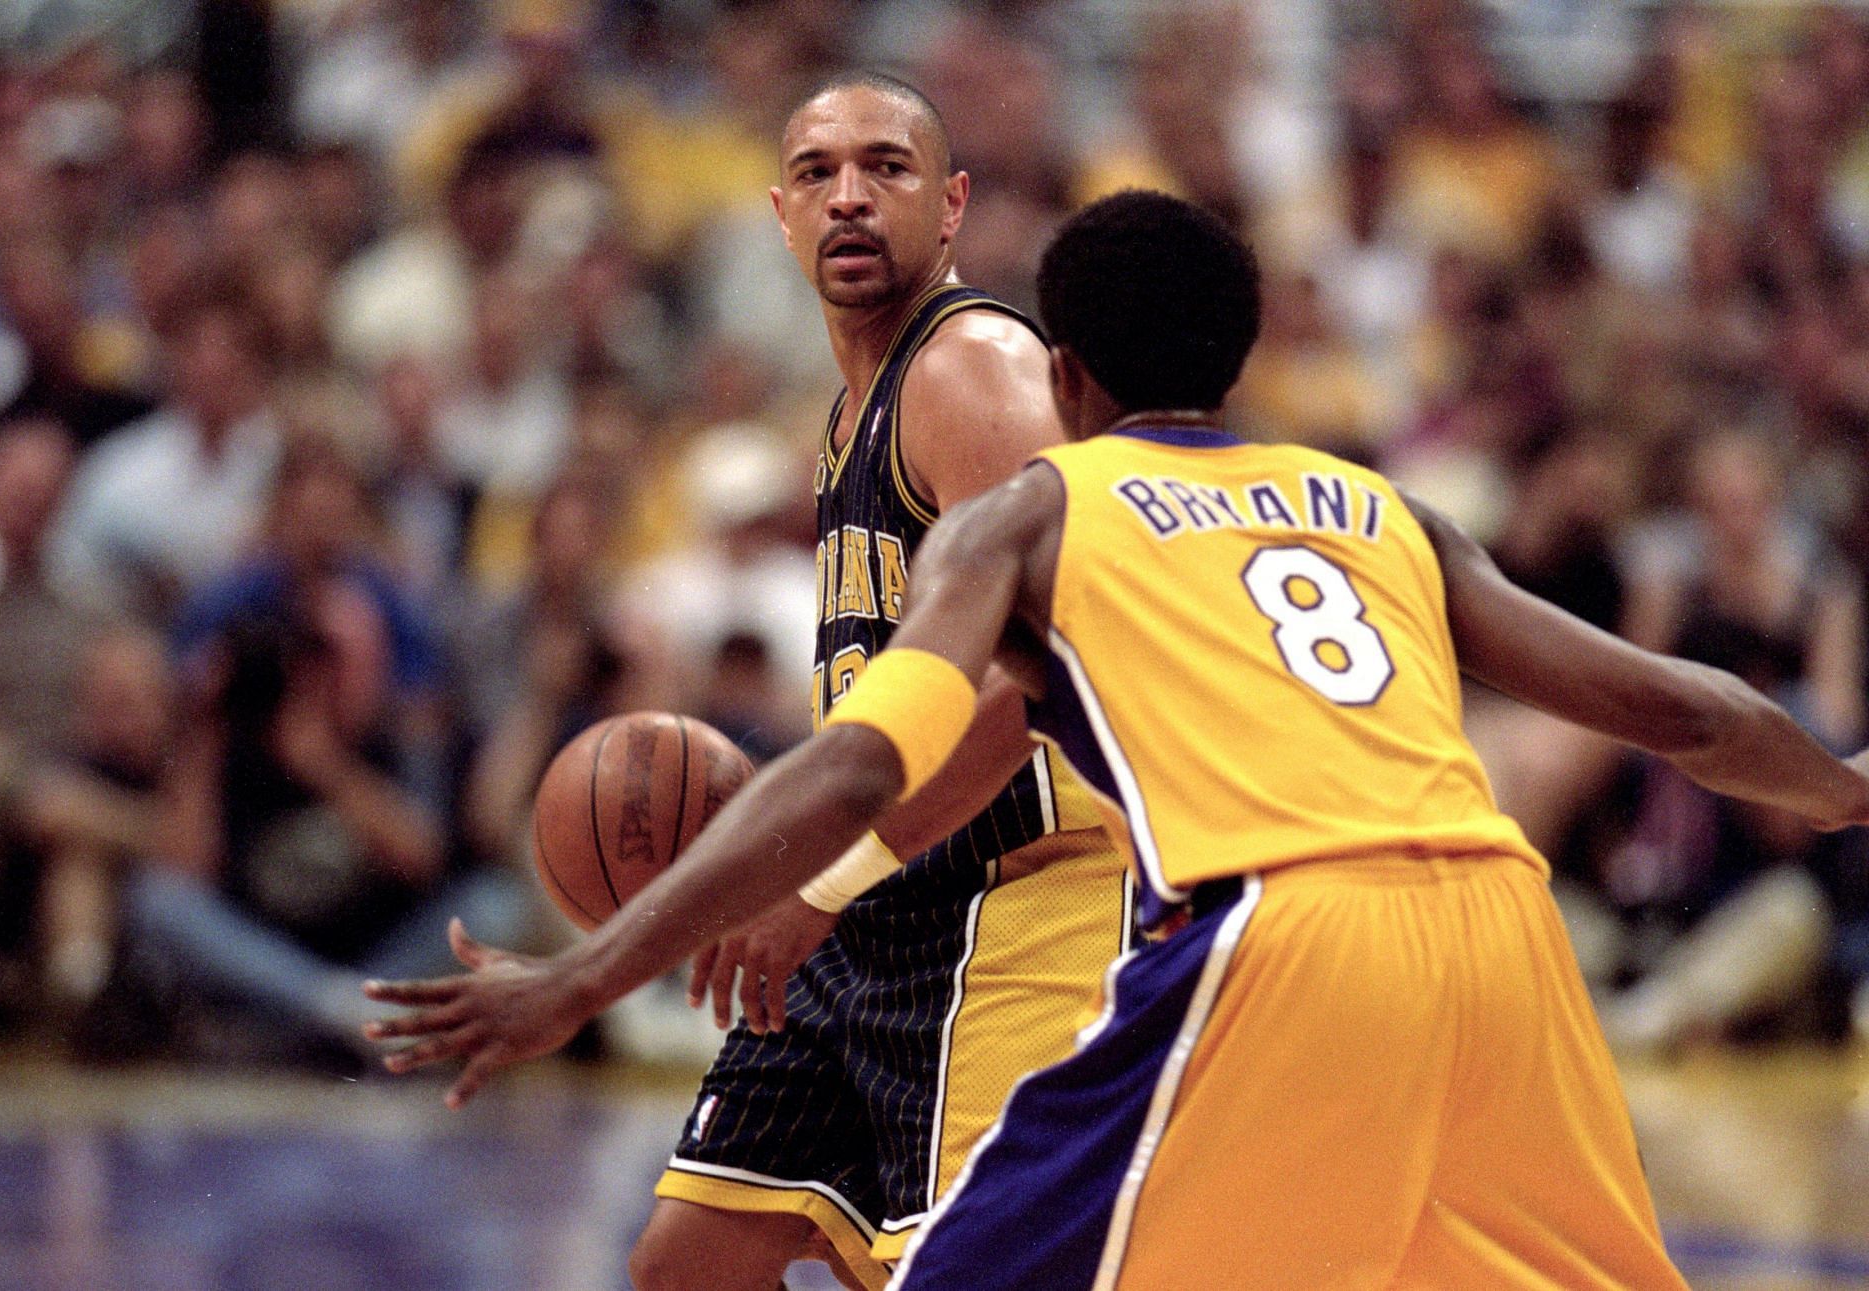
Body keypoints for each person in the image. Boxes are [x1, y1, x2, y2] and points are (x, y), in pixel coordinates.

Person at [366, 191, 1869, 1288]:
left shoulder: (1033, 511)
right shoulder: (1379, 507)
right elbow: (1691, 709)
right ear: (1242, 353)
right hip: (1506, 932)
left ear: (1062, 375)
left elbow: (856, 762)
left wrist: (587, 967)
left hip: (1270, 934)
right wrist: (1849, 787)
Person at [500, 72, 1133, 1291]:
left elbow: (1045, 667)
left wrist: (825, 876)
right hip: (880, 905)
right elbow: (879, 715)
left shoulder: (973, 369)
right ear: (779, 215)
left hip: (1012, 910)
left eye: (886, 168)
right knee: (687, 1261)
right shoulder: (849, 415)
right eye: (817, 173)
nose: (849, 197)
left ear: (950, 206)